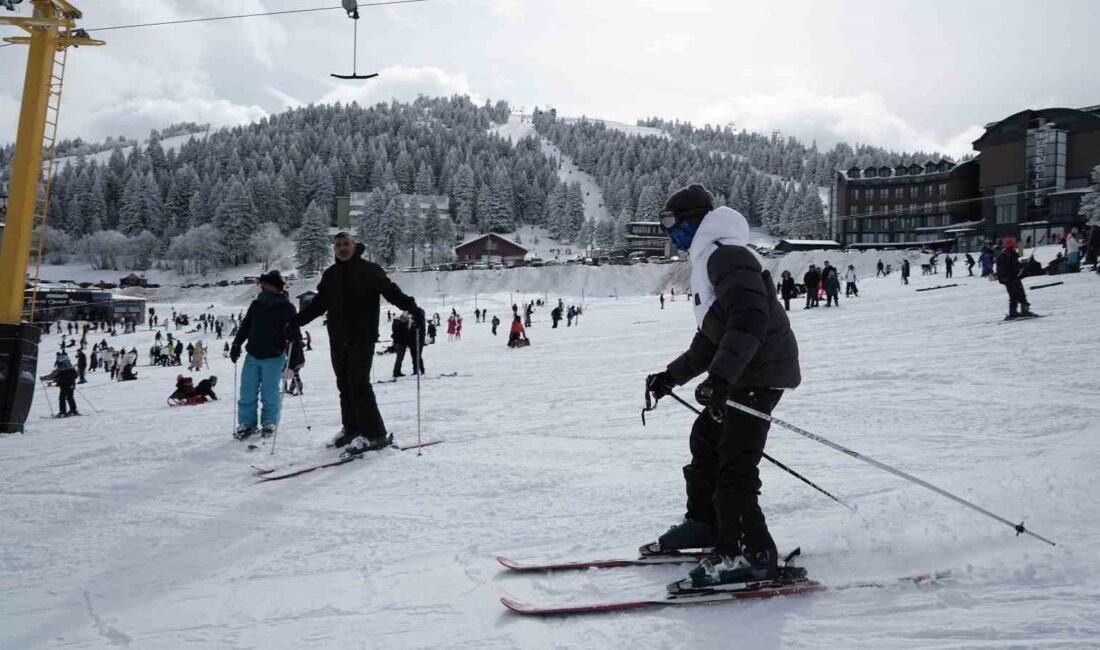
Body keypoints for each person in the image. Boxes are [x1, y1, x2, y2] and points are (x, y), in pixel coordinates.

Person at [644, 183, 801, 591]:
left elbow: (750, 322)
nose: (668, 232)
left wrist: (720, 379)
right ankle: (707, 523)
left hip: (758, 371)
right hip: (744, 371)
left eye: (671, 222)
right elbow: (711, 339)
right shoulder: (712, 259)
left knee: (735, 459)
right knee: (707, 437)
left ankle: (749, 552)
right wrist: (670, 376)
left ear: (694, 220)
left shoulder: (727, 256)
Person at [294, 232, 421, 454]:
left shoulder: (370, 270)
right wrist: (294, 322)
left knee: (359, 383)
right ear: (334, 249)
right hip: (338, 337)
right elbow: (318, 305)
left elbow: (391, 292)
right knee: (343, 384)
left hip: (362, 336)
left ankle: (375, 434)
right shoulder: (330, 274)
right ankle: (351, 428)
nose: (342, 248)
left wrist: (412, 307)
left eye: (346, 244)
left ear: (354, 246)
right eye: (338, 245)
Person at [231, 270, 304, 440]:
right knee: (247, 391)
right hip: (253, 354)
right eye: (261, 284)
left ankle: (269, 422)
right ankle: (247, 424)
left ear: (274, 286)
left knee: (269, 392)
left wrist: (294, 360)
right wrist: (236, 343)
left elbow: (295, 335)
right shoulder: (256, 305)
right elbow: (246, 325)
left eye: (265, 284)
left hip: (274, 356)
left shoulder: (287, 307)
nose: (262, 287)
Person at [996, 238, 1034, 320]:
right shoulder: (1012, 254)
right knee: (1021, 294)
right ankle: (1025, 311)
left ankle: (1013, 312)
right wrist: (1024, 266)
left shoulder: (1002, 255)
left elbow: (999, 268)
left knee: (1012, 296)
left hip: (1005, 279)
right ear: (1012, 245)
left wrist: (1001, 278)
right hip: (1013, 278)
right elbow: (1014, 266)